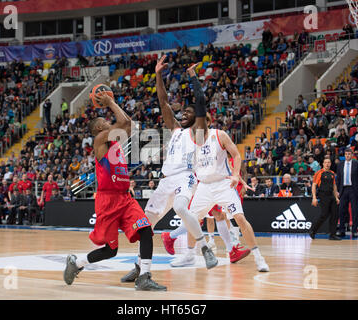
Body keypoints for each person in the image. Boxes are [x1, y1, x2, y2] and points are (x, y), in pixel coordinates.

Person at [121, 56, 218, 281]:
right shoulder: (175, 129)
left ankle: (205, 249)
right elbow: (163, 101)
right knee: (145, 223)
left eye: (189, 112)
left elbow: (201, 103)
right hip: (166, 180)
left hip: (186, 177)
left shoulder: (199, 132)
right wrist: (157, 74)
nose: (184, 113)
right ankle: (140, 268)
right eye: (183, 112)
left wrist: (193, 76)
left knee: (182, 208)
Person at [167, 61, 269, 272]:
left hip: (223, 184)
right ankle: (188, 254)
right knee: (190, 218)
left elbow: (237, 155)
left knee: (239, 218)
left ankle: (259, 257)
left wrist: (235, 175)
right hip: (203, 186)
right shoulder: (189, 139)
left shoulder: (219, 135)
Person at [63, 91, 166, 291]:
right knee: (111, 250)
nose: (111, 123)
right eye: (106, 121)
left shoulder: (115, 143)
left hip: (124, 198)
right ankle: (76, 263)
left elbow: (129, 126)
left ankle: (144, 276)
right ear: (101, 127)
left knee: (145, 230)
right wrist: (110, 102)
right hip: (107, 200)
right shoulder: (101, 139)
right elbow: (126, 124)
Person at [310, 158, 341, 240]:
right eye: (325, 162)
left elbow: (334, 186)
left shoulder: (332, 173)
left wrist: (336, 197)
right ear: (323, 164)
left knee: (335, 215)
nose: (327, 164)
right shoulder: (319, 173)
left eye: (329, 162)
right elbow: (314, 185)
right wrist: (314, 197)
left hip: (332, 195)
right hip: (323, 195)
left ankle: (332, 235)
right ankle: (313, 231)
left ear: (330, 164)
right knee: (324, 215)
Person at [336, 148, 358, 237]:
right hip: (343, 189)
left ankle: (354, 230)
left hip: (353, 189)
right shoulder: (340, 164)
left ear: (352, 155)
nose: (347, 155)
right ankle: (341, 230)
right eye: (346, 154)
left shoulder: (356, 164)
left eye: (349, 154)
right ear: (344, 155)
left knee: (355, 210)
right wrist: (337, 190)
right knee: (341, 210)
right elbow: (338, 179)